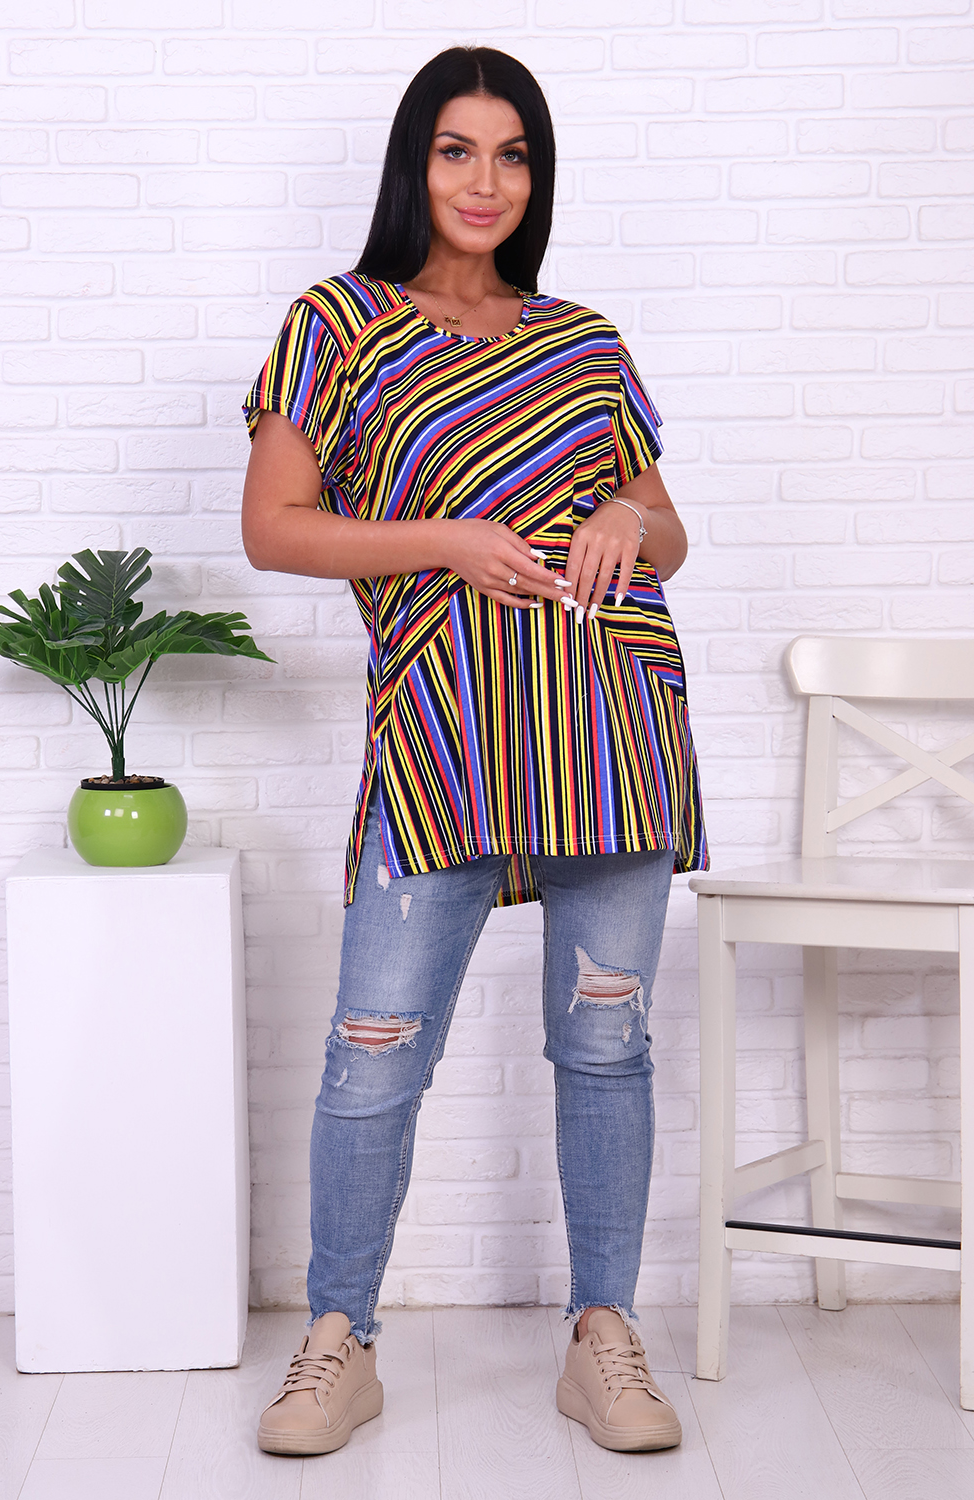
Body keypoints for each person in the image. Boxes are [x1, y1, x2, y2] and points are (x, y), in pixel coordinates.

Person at [241, 45, 707, 1460]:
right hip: (439, 734)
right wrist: (444, 541)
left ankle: (602, 1336)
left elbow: (667, 530)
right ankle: (339, 1340)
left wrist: (628, 522)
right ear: (416, 163)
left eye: (512, 154)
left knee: (606, 1043)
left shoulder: (583, 339)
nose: (485, 180)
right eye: (458, 150)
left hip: (610, 728)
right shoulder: (339, 323)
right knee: (373, 1049)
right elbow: (275, 529)